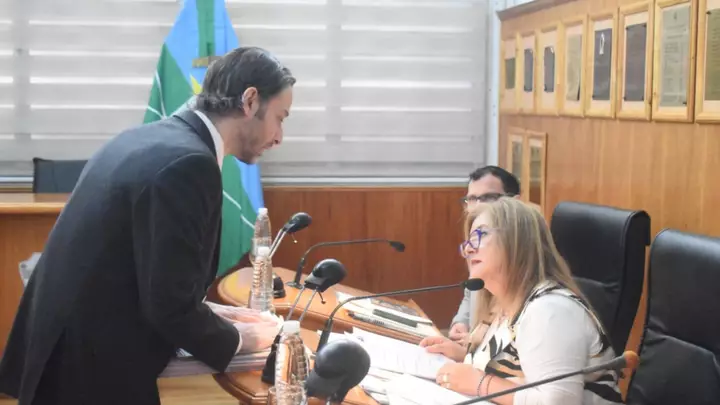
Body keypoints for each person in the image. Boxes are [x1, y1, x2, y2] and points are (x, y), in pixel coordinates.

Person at [0, 46, 293, 405]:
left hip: (63, 350)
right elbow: (169, 307)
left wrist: (219, 313)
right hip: (88, 372)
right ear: (249, 101)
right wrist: (246, 339)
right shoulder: (189, 164)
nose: (279, 137)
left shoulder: (146, 138)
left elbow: (146, 275)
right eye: (280, 118)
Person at [421, 198, 622, 405]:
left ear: (517, 241)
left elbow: (559, 402)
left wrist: (479, 382)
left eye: (480, 235)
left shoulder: (550, 310)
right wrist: (465, 356)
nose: (469, 249)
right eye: (468, 241)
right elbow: (518, 368)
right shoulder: (500, 304)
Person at [450, 166, 520, 343]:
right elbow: (472, 290)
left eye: (489, 197)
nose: (478, 206)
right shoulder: (477, 244)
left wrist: (475, 345)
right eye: (472, 199)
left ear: (515, 202)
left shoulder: (521, 255)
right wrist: (461, 322)